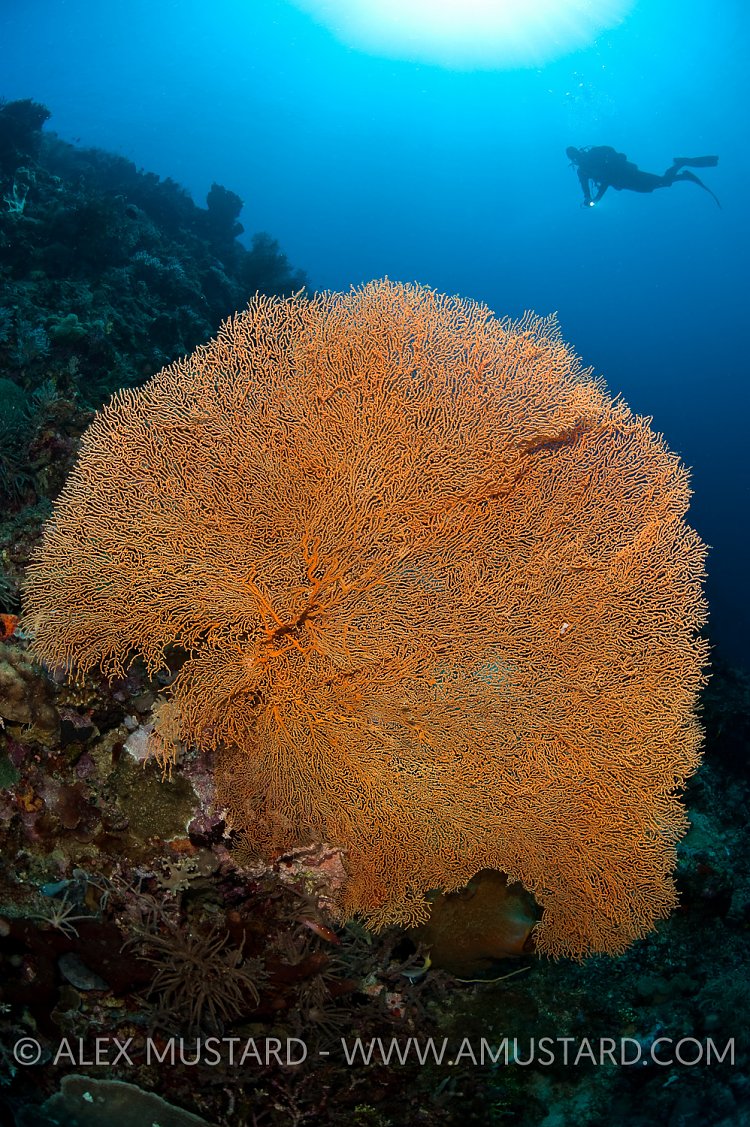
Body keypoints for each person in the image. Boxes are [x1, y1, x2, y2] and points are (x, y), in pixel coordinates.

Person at [566, 146, 721, 208]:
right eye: (574, 158)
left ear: (579, 152)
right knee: (655, 185)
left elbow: (606, 178)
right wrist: (587, 197)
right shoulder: (582, 171)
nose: (577, 158)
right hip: (624, 182)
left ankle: (680, 166)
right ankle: (681, 171)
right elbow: (584, 186)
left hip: (628, 175)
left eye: (576, 155)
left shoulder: (594, 154)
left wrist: (597, 198)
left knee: (661, 183)